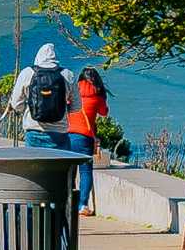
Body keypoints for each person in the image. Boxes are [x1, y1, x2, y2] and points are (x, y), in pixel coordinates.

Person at [10, 41, 97, 213]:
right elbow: (76, 107)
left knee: (34, 177)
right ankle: (59, 215)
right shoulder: (68, 75)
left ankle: (34, 216)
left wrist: (29, 109)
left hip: (33, 133)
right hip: (59, 136)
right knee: (60, 179)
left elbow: (16, 104)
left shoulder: (27, 73)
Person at [70, 67, 113, 215]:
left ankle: (68, 202)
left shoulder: (72, 93)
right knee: (85, 171)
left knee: (69, 171)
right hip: (85, 137)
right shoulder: (97, 96)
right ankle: (82, 205)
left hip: (68, 135)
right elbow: (104, 112)